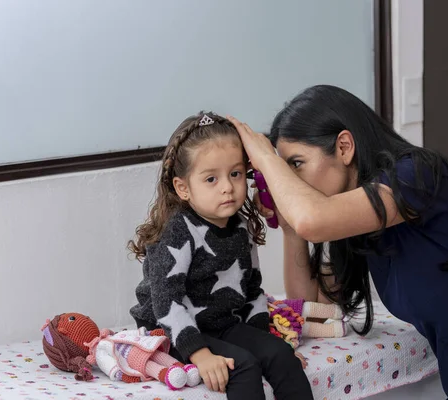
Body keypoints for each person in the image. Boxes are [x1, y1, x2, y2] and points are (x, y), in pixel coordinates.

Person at [227, 85, 448, 400]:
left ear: (344, 147)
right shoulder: (361, 225)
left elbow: (314, 218)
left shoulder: (419, 175)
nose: (290, 181)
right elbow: (306, 308)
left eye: (296, 164)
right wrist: (290, 228)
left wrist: (265, 159)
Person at [128, 112, 313, 400]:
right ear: (183, 188)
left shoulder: (240, 227)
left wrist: (266, 344)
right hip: (170, 329)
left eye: (235, 174)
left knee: (281, 355)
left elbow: (252, 290)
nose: (227, 186)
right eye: (211, 179)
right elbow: (166, 302)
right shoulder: (177, 231)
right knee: (243, 367)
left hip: (221, 323)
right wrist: (199, 354)